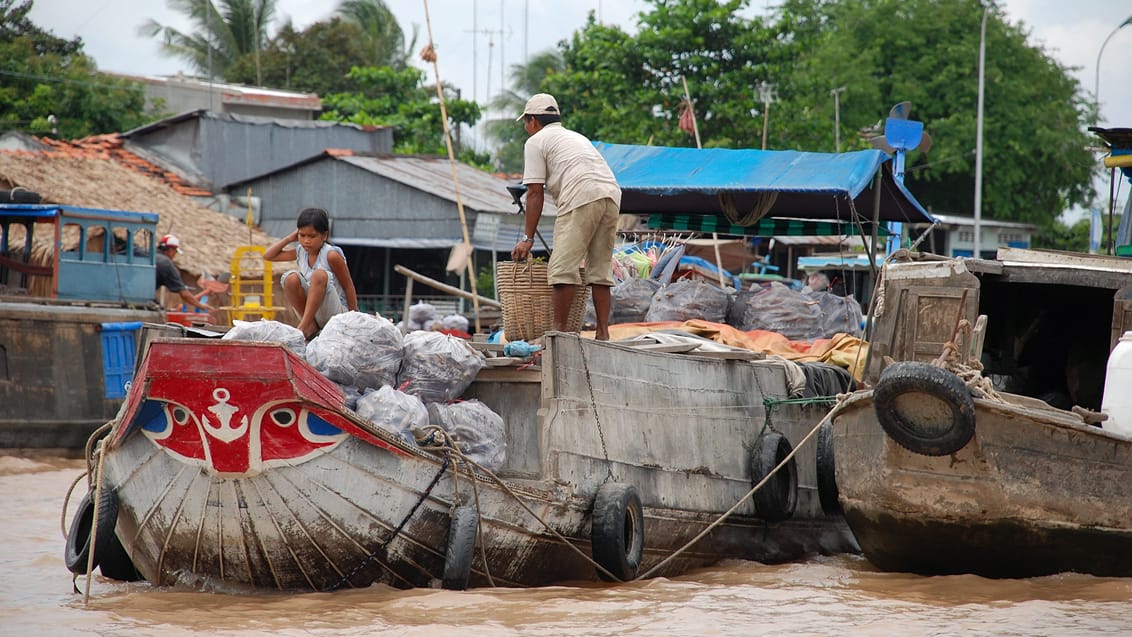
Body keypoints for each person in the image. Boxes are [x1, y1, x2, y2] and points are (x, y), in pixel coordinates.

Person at [510, 93, 622, 340]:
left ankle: (559, 335)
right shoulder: (576, 137)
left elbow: (535, 192)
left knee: (562, 268)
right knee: (600, 270)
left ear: (533, 121)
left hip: (581, 195)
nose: (526, 128)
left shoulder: (536, 141)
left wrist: (528, 238)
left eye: (526, 123)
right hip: (611, 194)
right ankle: (603, 334)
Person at [264, 207, 358, 339]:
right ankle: (310, 326)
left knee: (319, 275)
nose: (306, 241)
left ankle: (303, 327)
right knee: (290, 278)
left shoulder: (331, 255)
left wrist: (355, 317)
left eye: (312, 236)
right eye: (302, 235)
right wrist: (289, 239)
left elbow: (348, 286)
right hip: (313, 314)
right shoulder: (300, 252)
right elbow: (268, 256)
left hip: (336, 314)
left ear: (324, 236)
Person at [155, 234, 214, 312]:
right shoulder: (166, 264)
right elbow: (185, 295)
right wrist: (201, 306)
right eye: (175, 252)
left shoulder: (149, 256)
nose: (174, 255)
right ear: (170, 250)